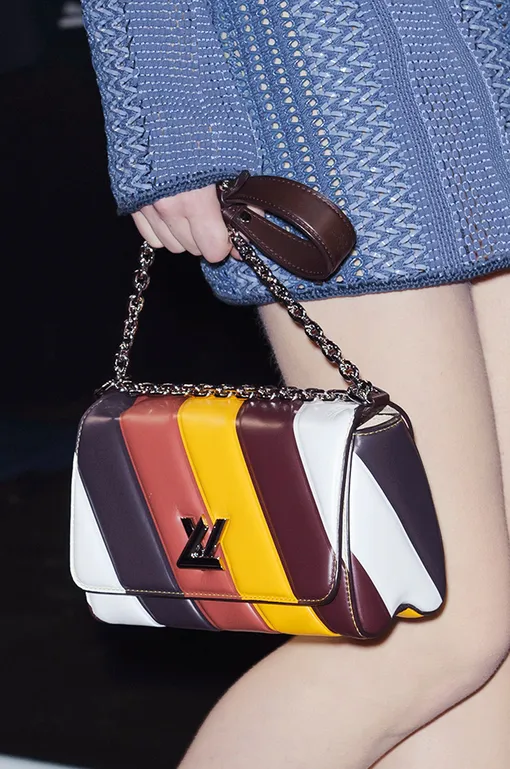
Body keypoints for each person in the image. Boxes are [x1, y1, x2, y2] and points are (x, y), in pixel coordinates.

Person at [80, 2, 510, 767]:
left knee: (484, 629)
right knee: (429, 619)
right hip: (319, 56)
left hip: (475, 40)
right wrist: (165, 113)